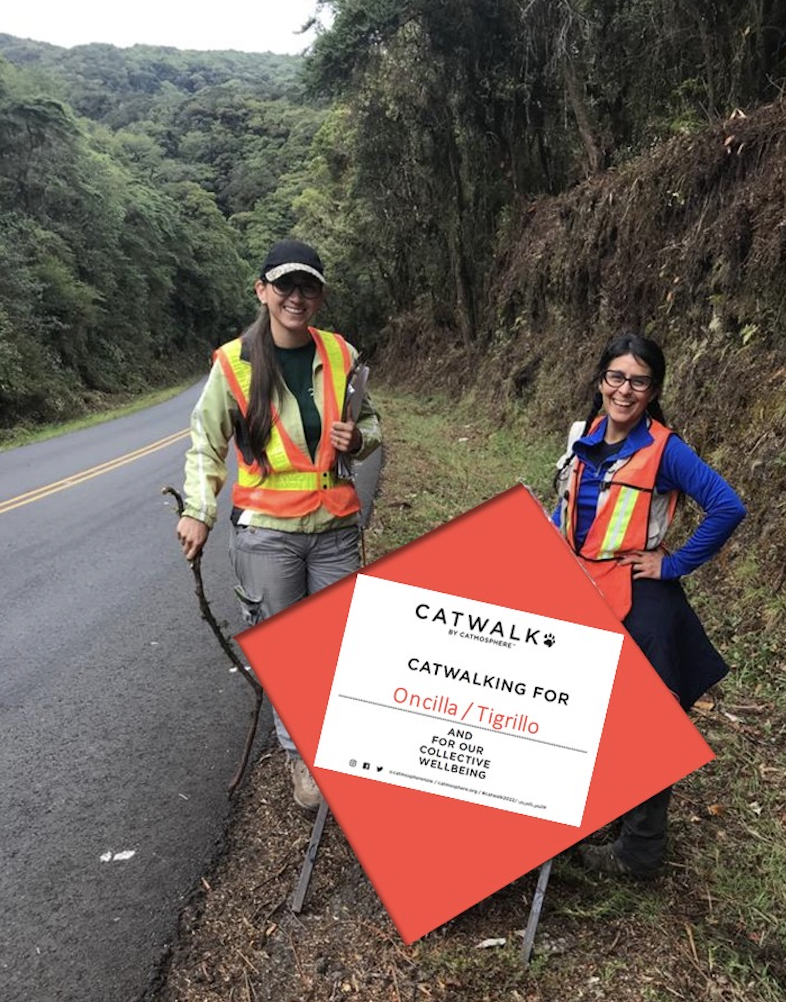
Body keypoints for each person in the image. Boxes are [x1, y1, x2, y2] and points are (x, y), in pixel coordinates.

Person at [176, 239, 382, 812]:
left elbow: (371, 421)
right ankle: (303, 761)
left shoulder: (341, 354)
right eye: (284, 285)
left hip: (336, 528)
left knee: (337, 648)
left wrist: (361, 440)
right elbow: (205, 444)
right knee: (290, 653)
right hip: (268, 535)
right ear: (262, 291)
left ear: (319, 297)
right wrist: (199, 510)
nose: (296, 297)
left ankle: (340, 747)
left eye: (307, 287)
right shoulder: (234, 363)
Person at [553, 333, 745, 877]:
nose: (625, 389)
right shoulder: (580, 436)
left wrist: (675, 562)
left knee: (648, 716)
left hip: (640, 593)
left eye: (639, 381)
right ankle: (597, 811)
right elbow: (568, 509)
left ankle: (638, 852)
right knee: (588, 708)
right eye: (617, 377)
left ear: (652, 390)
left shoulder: (666, 449)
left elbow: (728, 506)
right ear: (600, 381)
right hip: (582, 585)